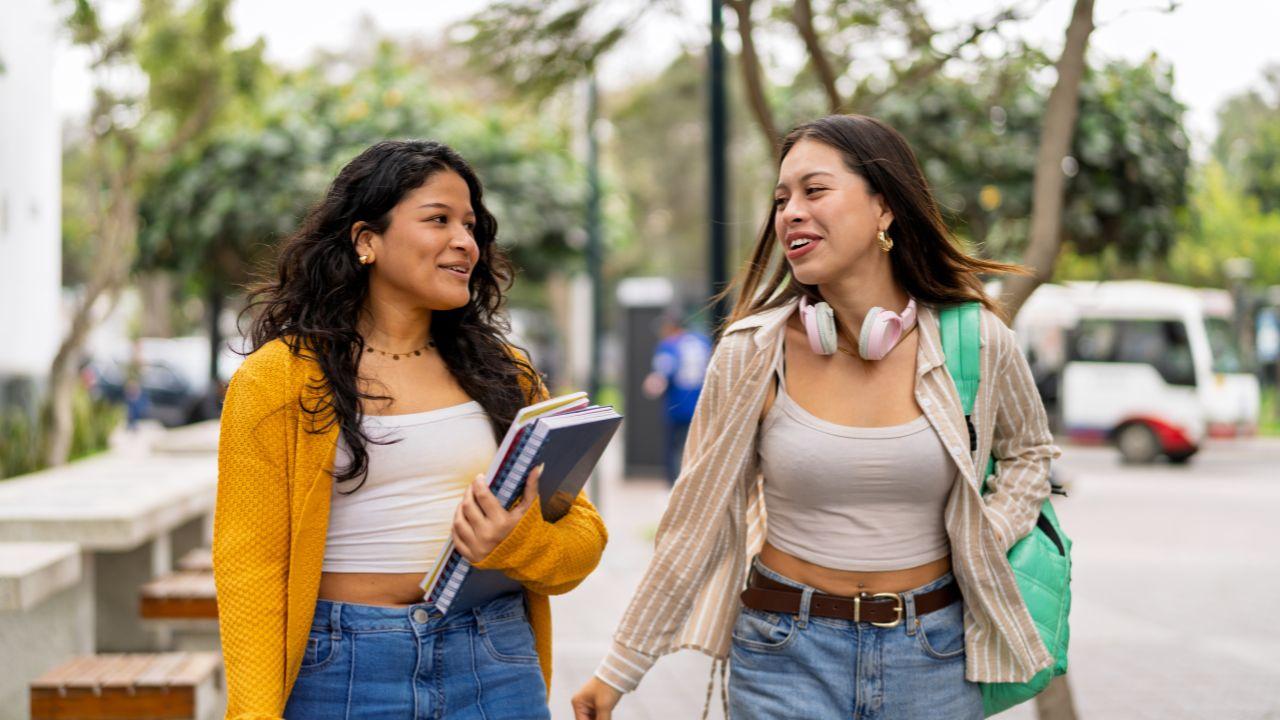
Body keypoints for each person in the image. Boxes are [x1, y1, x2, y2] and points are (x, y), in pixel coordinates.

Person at [572, 115, 1059, 719]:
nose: (791, 213)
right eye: (781, 199)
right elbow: (693, 524)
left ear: (883, 208)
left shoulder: (977, 341)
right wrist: (618, 671)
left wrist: (984, 537)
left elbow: (1030, 454)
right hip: (783, 653)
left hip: (934, 654)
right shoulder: (752, 352)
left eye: (814, 190)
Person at [213, 140, 607, 719]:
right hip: (341, 670)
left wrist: (515, 541)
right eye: (438, 220)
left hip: (493, 660)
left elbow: (584, 540)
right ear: (366, 240)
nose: (465, 243)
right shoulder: (279, 378)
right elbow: (250, 567)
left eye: (470, 225)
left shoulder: (505, 375)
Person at [641, 313, 711, 485]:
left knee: (673, 447)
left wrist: (652, 384)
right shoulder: (701, 341)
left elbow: (663, 374)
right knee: (697, 446)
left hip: (677, 406)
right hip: (701, 404)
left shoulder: (669, 345)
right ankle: (696, 481)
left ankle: (674, 483)